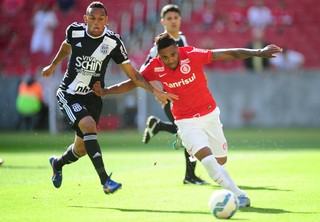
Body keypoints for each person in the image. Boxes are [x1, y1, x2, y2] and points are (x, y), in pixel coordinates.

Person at [92, 33, 282, 207]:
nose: (170, 60)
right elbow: (133, 81)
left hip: (210, 115)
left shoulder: (191, 54)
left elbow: (227, 54)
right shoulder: (155, 66)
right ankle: (239, 195)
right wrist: (106, 91)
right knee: (210, 164)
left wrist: (258, 52)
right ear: (159, 56)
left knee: (221, 160)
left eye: (173, 55)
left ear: (178, 49)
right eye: (165, 57)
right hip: (185, 121)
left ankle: (188, 143)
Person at [41, 2, 177, 195]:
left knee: (81, 149)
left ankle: (57, 163)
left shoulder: (113, 42)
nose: (96, 23)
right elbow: (66, 46)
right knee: (88, 126)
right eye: (92, 18)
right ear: (85, 19)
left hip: (93, 97)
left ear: (107, 20)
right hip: (69, 94)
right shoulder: (74, 31)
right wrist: (53, 66)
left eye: (100, 19)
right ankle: (106, 181)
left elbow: (134, 75)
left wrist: (155, 91)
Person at [140, 4, 207, 185]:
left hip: (186, 97)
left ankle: (158, 126)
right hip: (172, 99)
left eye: (175, 18)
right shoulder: (159, 47)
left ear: (180, 19)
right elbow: (142, 72)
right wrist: (158, 91)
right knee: (189, 133)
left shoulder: (182, 40)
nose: (173, 21)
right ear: (163, 22)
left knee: (187, 131)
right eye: (168, 18)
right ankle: (189, 176)